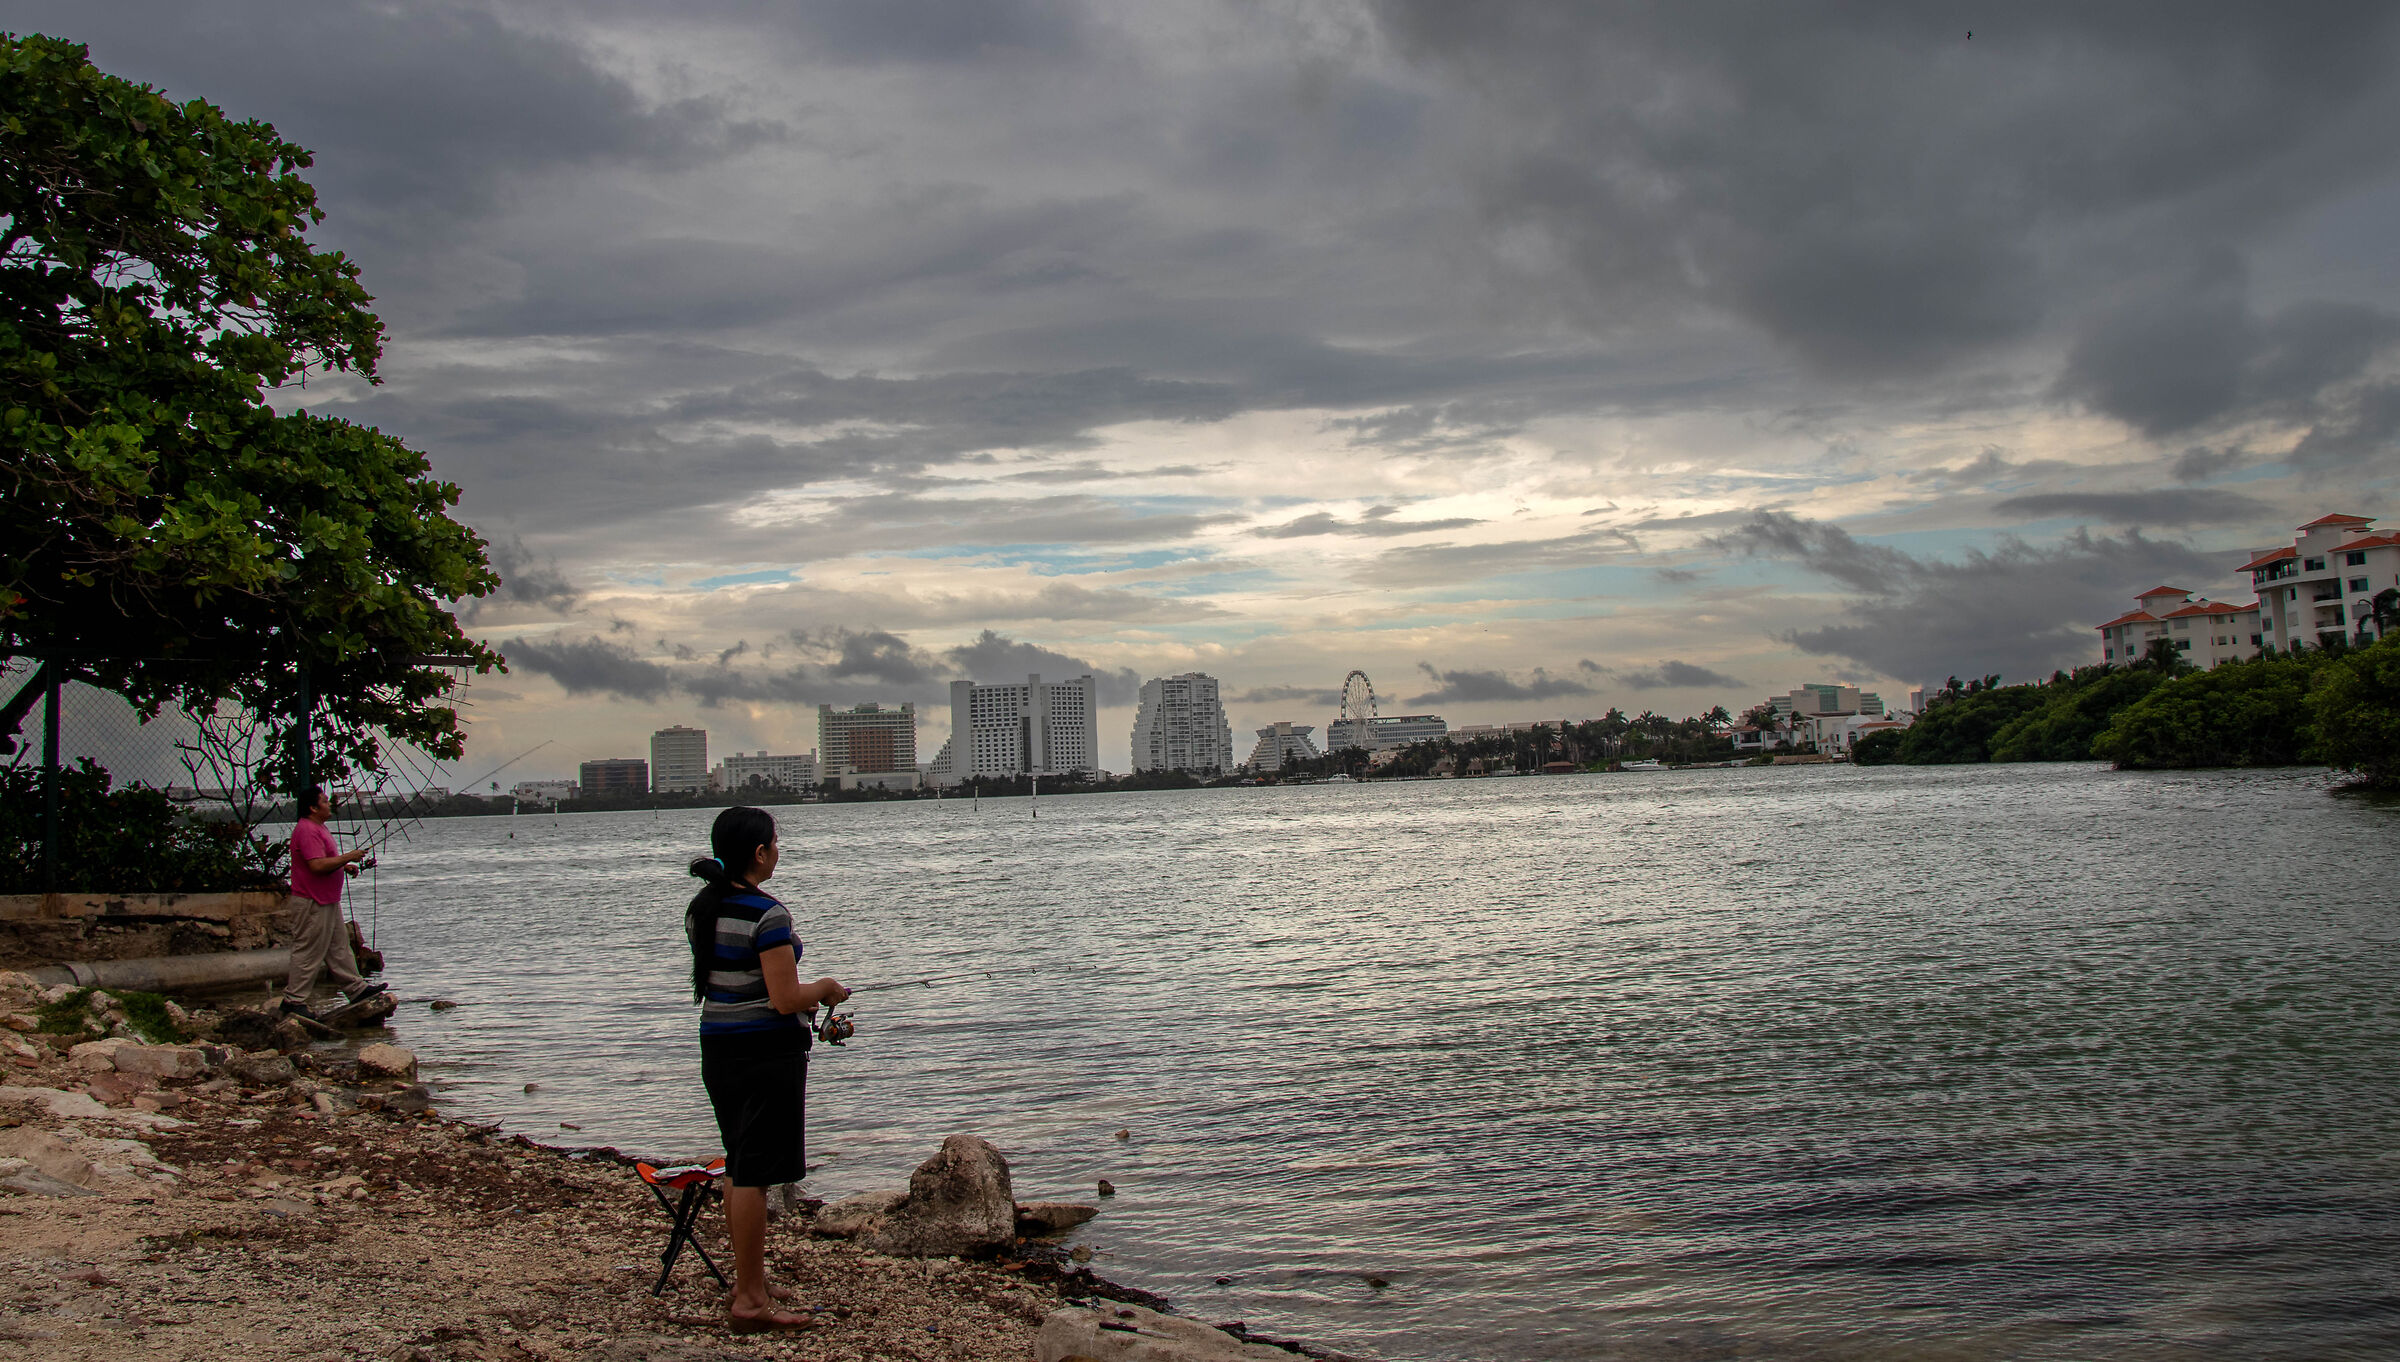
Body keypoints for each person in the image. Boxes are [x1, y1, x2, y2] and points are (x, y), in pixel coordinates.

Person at [686, 806, 849, 1333]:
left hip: (719, 1049)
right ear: (759, 853)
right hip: (764, 1055)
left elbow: (731, 983)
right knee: (754, 1175)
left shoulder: (702, 908)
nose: (778, 852)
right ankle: (751, 1301)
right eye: (775, 844)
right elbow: (784, 998)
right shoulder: (768, 915)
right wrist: (825, 988)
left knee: (738, 1165)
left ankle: (746, 1282)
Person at [282, 785, 389, 1017]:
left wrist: (344, 865)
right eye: (324, 801)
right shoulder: (307, 830)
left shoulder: (318, 828)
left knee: (339, 948)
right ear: (313, 808)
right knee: (308, 951)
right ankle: (293, 1000)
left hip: (326, 899)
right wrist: (348, 856)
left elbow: (322, 861)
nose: (329, 803)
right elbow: (316, 865)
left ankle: (357, 989)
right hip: (312, 901)